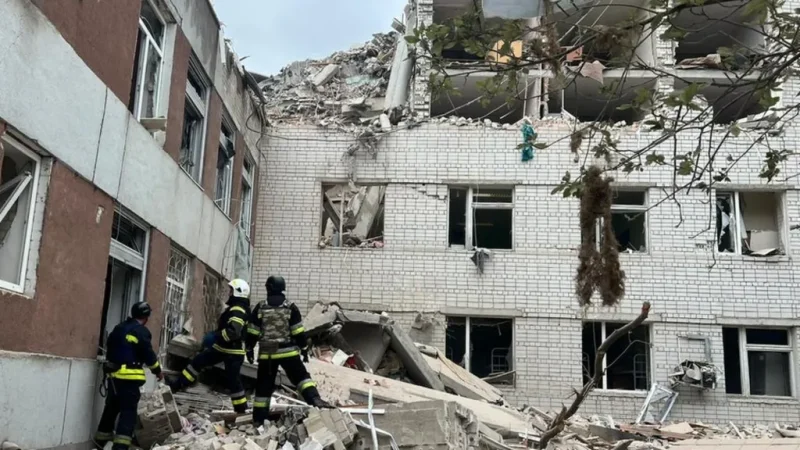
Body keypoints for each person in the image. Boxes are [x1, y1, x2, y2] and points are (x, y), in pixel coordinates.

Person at [246, 275, 330, 424]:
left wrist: (249, 348)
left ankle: (259, 420)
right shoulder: (291, 307)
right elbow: (298, 332)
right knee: (302, 378)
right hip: (288, 352)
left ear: (268, 288)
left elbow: (252, 331)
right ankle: (315, 399)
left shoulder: (260, 307)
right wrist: (304, 349)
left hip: (268, 353)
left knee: (264, 386)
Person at [168, 279, 252, 413]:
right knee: (198, 361)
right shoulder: (235, 308)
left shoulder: (238, 310)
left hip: (233, 352)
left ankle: (241, 409)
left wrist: (216, 337)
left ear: (238, 292)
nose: (229, 293)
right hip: (222, 348)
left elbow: (233, 332)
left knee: (233, 381)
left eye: (231, 291)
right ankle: (179, 385)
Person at [95, 302, 163, 450]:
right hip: (129, 380)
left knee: (111, 409)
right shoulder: (141, 332)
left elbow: (110, 346)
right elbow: (148, 355)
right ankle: (120, 447)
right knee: (128, 413)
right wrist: (157, 371)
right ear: (146, 316)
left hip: (113, 378)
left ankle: (100, 441)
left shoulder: (119, 328)